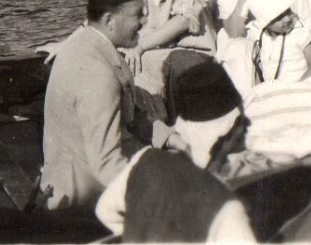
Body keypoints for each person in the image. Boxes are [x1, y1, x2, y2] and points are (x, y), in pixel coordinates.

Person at [95, 54, 256, 242]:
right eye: (243, 122)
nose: (247, 127)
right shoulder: (226, 208)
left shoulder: (144, 160)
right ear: (233, 129)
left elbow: (104, 210)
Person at [41, 0, 157, 210]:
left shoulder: (93, 46)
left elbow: (132, 116)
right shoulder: (97, 72)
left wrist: (171, 139)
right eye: (138, 13)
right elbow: (106, 166)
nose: (144, 21)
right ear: (109, 19)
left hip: (91, 177)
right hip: (83, 199)